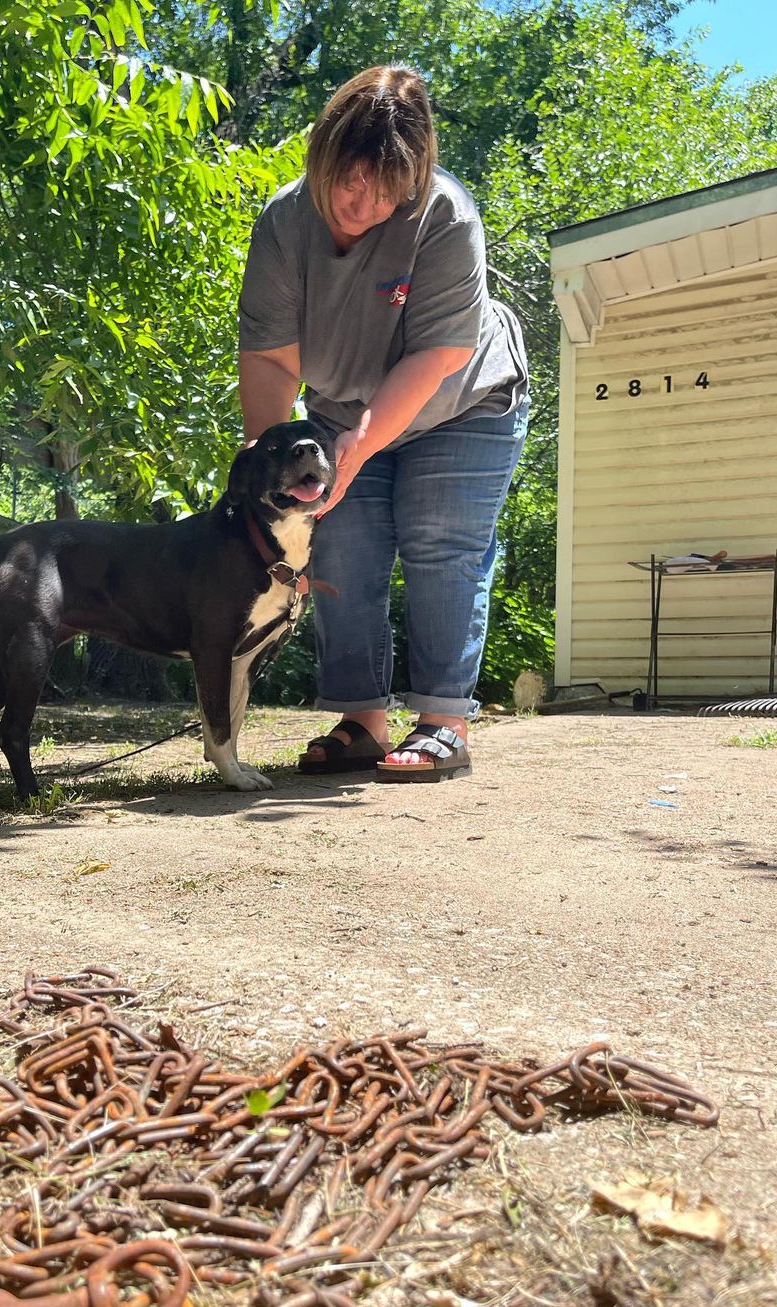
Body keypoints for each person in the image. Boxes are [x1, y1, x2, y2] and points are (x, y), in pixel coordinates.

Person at [238, 66, 529, 782]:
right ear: (321, 153)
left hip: (463, 402)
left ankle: (442, 721)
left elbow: (438, 354)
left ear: (412, 176)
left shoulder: (446, 217)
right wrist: (268, 483)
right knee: (342, 551)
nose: (359, 201)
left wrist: (362, 446)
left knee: (440, 543)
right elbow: (272, 363)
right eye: (346, 176)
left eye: (382, 186)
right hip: (338, 410)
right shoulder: (283, 224)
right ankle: (363, 720)